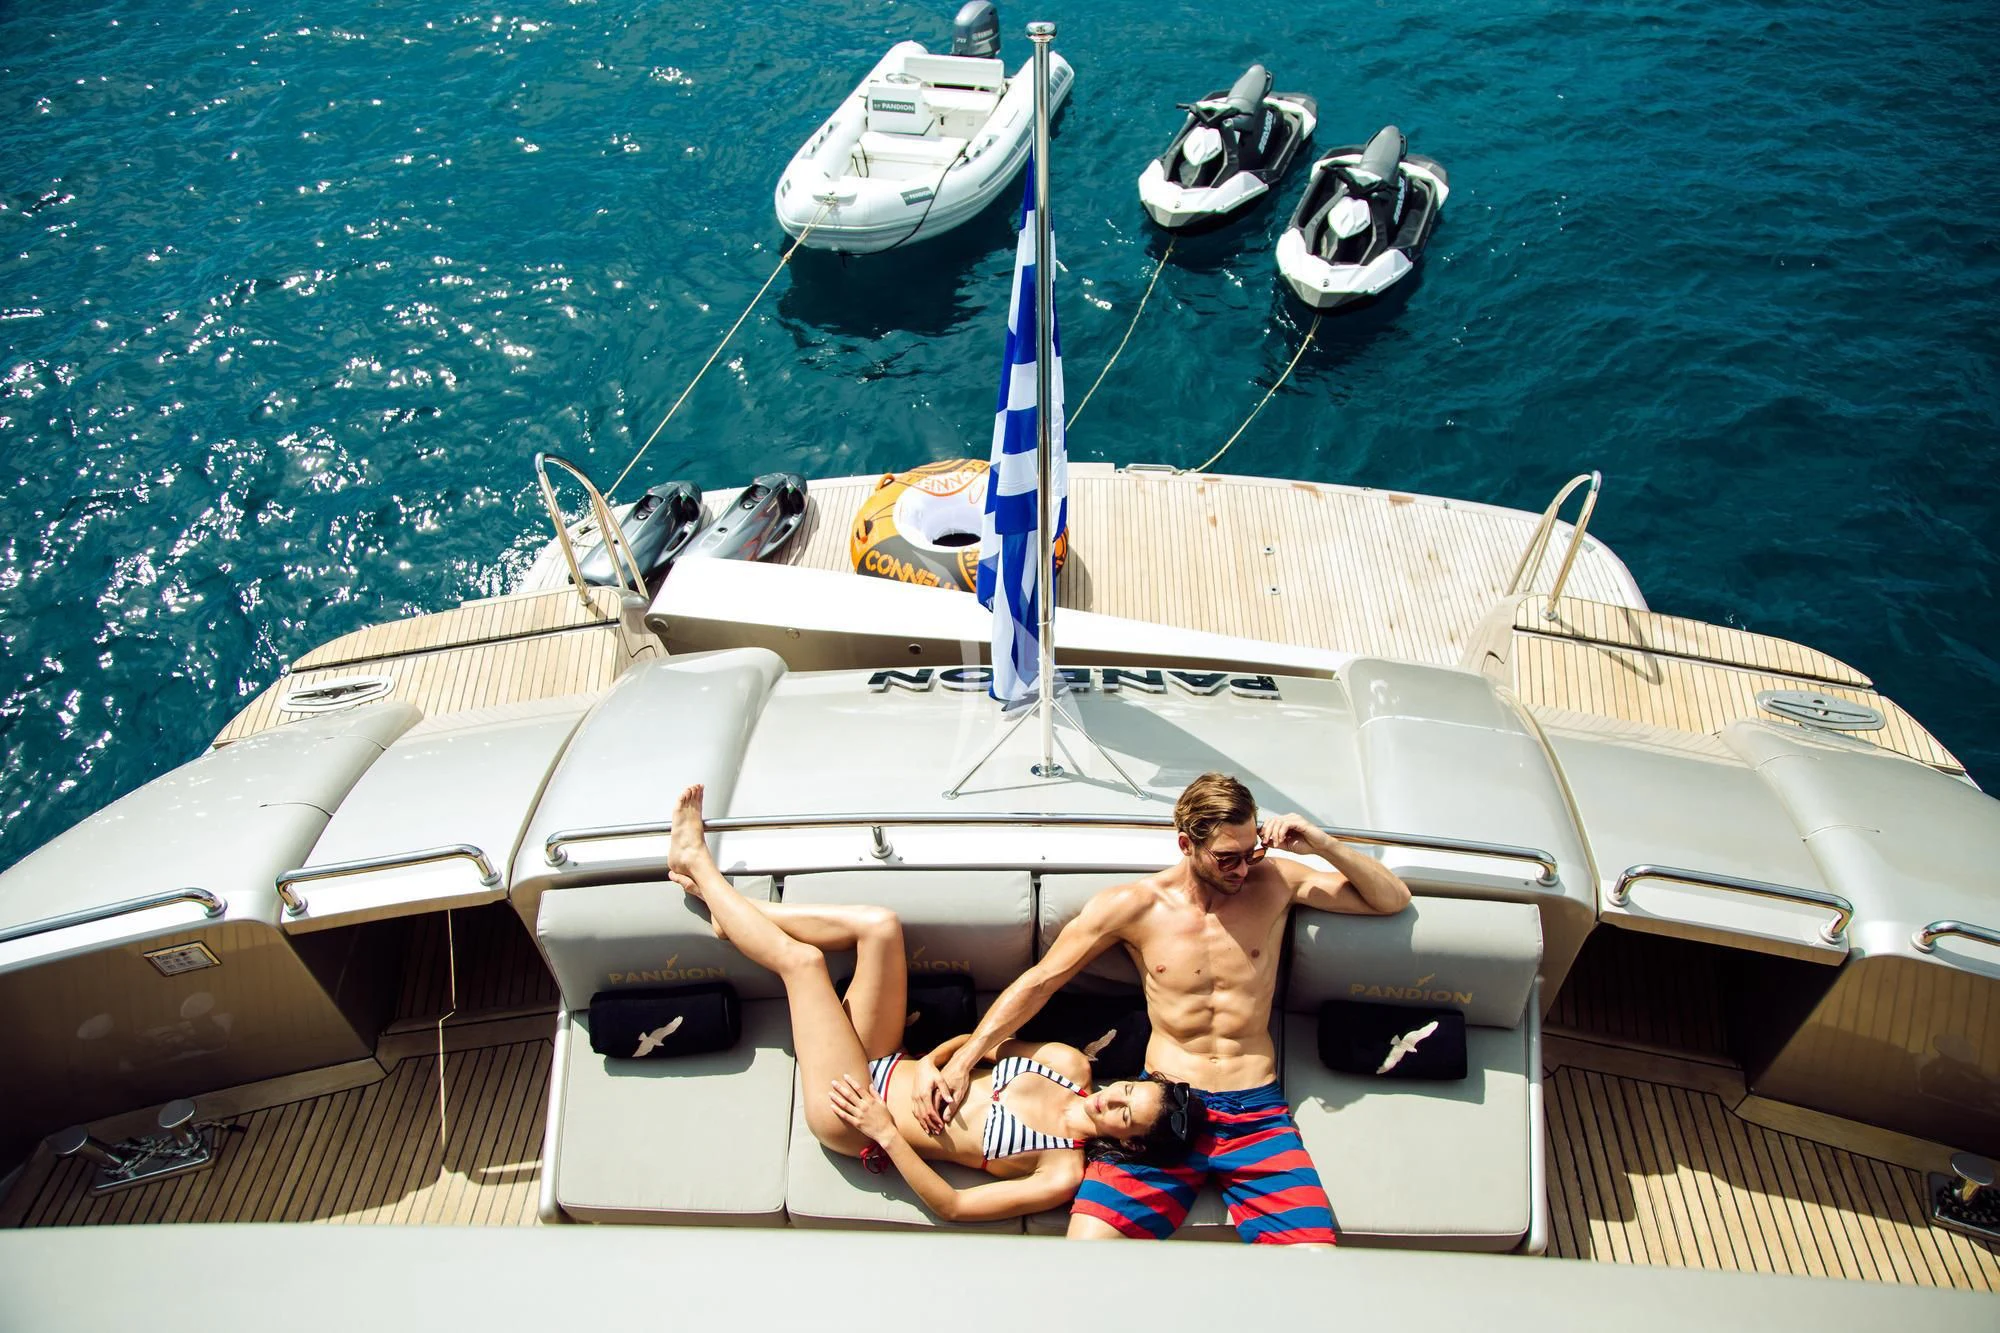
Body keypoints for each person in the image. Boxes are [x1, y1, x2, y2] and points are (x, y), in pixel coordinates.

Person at [665, 783, 1202, 1223]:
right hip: (893, 1058)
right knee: (879, 927)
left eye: (1123, 1113)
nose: (1108, 1099)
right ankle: (734, 918)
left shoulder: (1059, 1172)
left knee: (803, 964)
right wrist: (930, 1063)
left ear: (1129, 1146)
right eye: (1126, 1089)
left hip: (852, 1112)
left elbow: (955, 1205)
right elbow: (980, 1044)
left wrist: (883, 1132)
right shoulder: (1069, 1064)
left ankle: (703, 873)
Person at [926, 772, 1413, 1244]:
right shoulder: (1133, 906)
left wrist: (1319, 843)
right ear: (1185, 845)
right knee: (1083, 1259)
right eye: (1227, 858)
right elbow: (1041, 981)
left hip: (1256, 1108)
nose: (1243, 870)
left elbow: (1391, 899)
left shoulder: (1276, 880)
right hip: (1156, 1111)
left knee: (1315, 1261)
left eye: (1251, 853)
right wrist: (966, 1059)